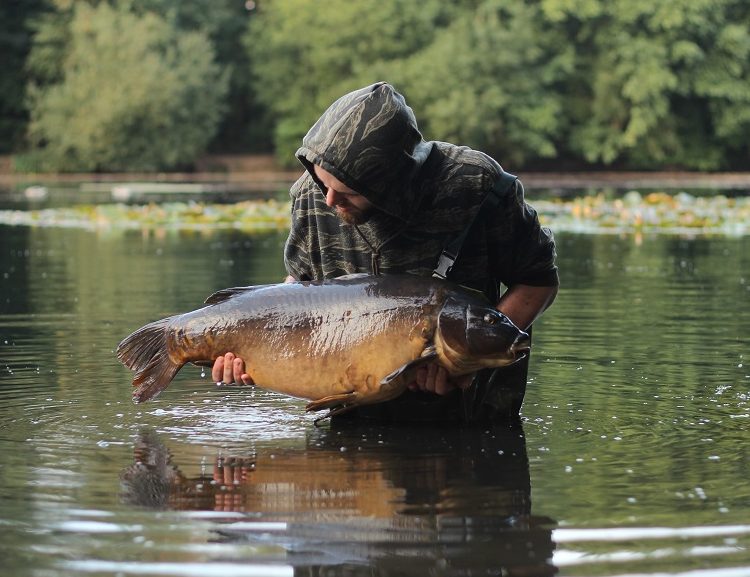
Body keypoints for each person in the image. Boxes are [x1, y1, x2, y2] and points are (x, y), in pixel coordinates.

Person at [212, 81, 558, 422]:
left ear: (393, 184)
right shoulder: (312, 194)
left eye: (347, 191)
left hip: (471, 413)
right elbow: (298, 289)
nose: (330, 200)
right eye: (322, 182)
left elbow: (538, 281)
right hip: (348, 407)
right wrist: (248, 348)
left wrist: (463, 358)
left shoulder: (479, 186)